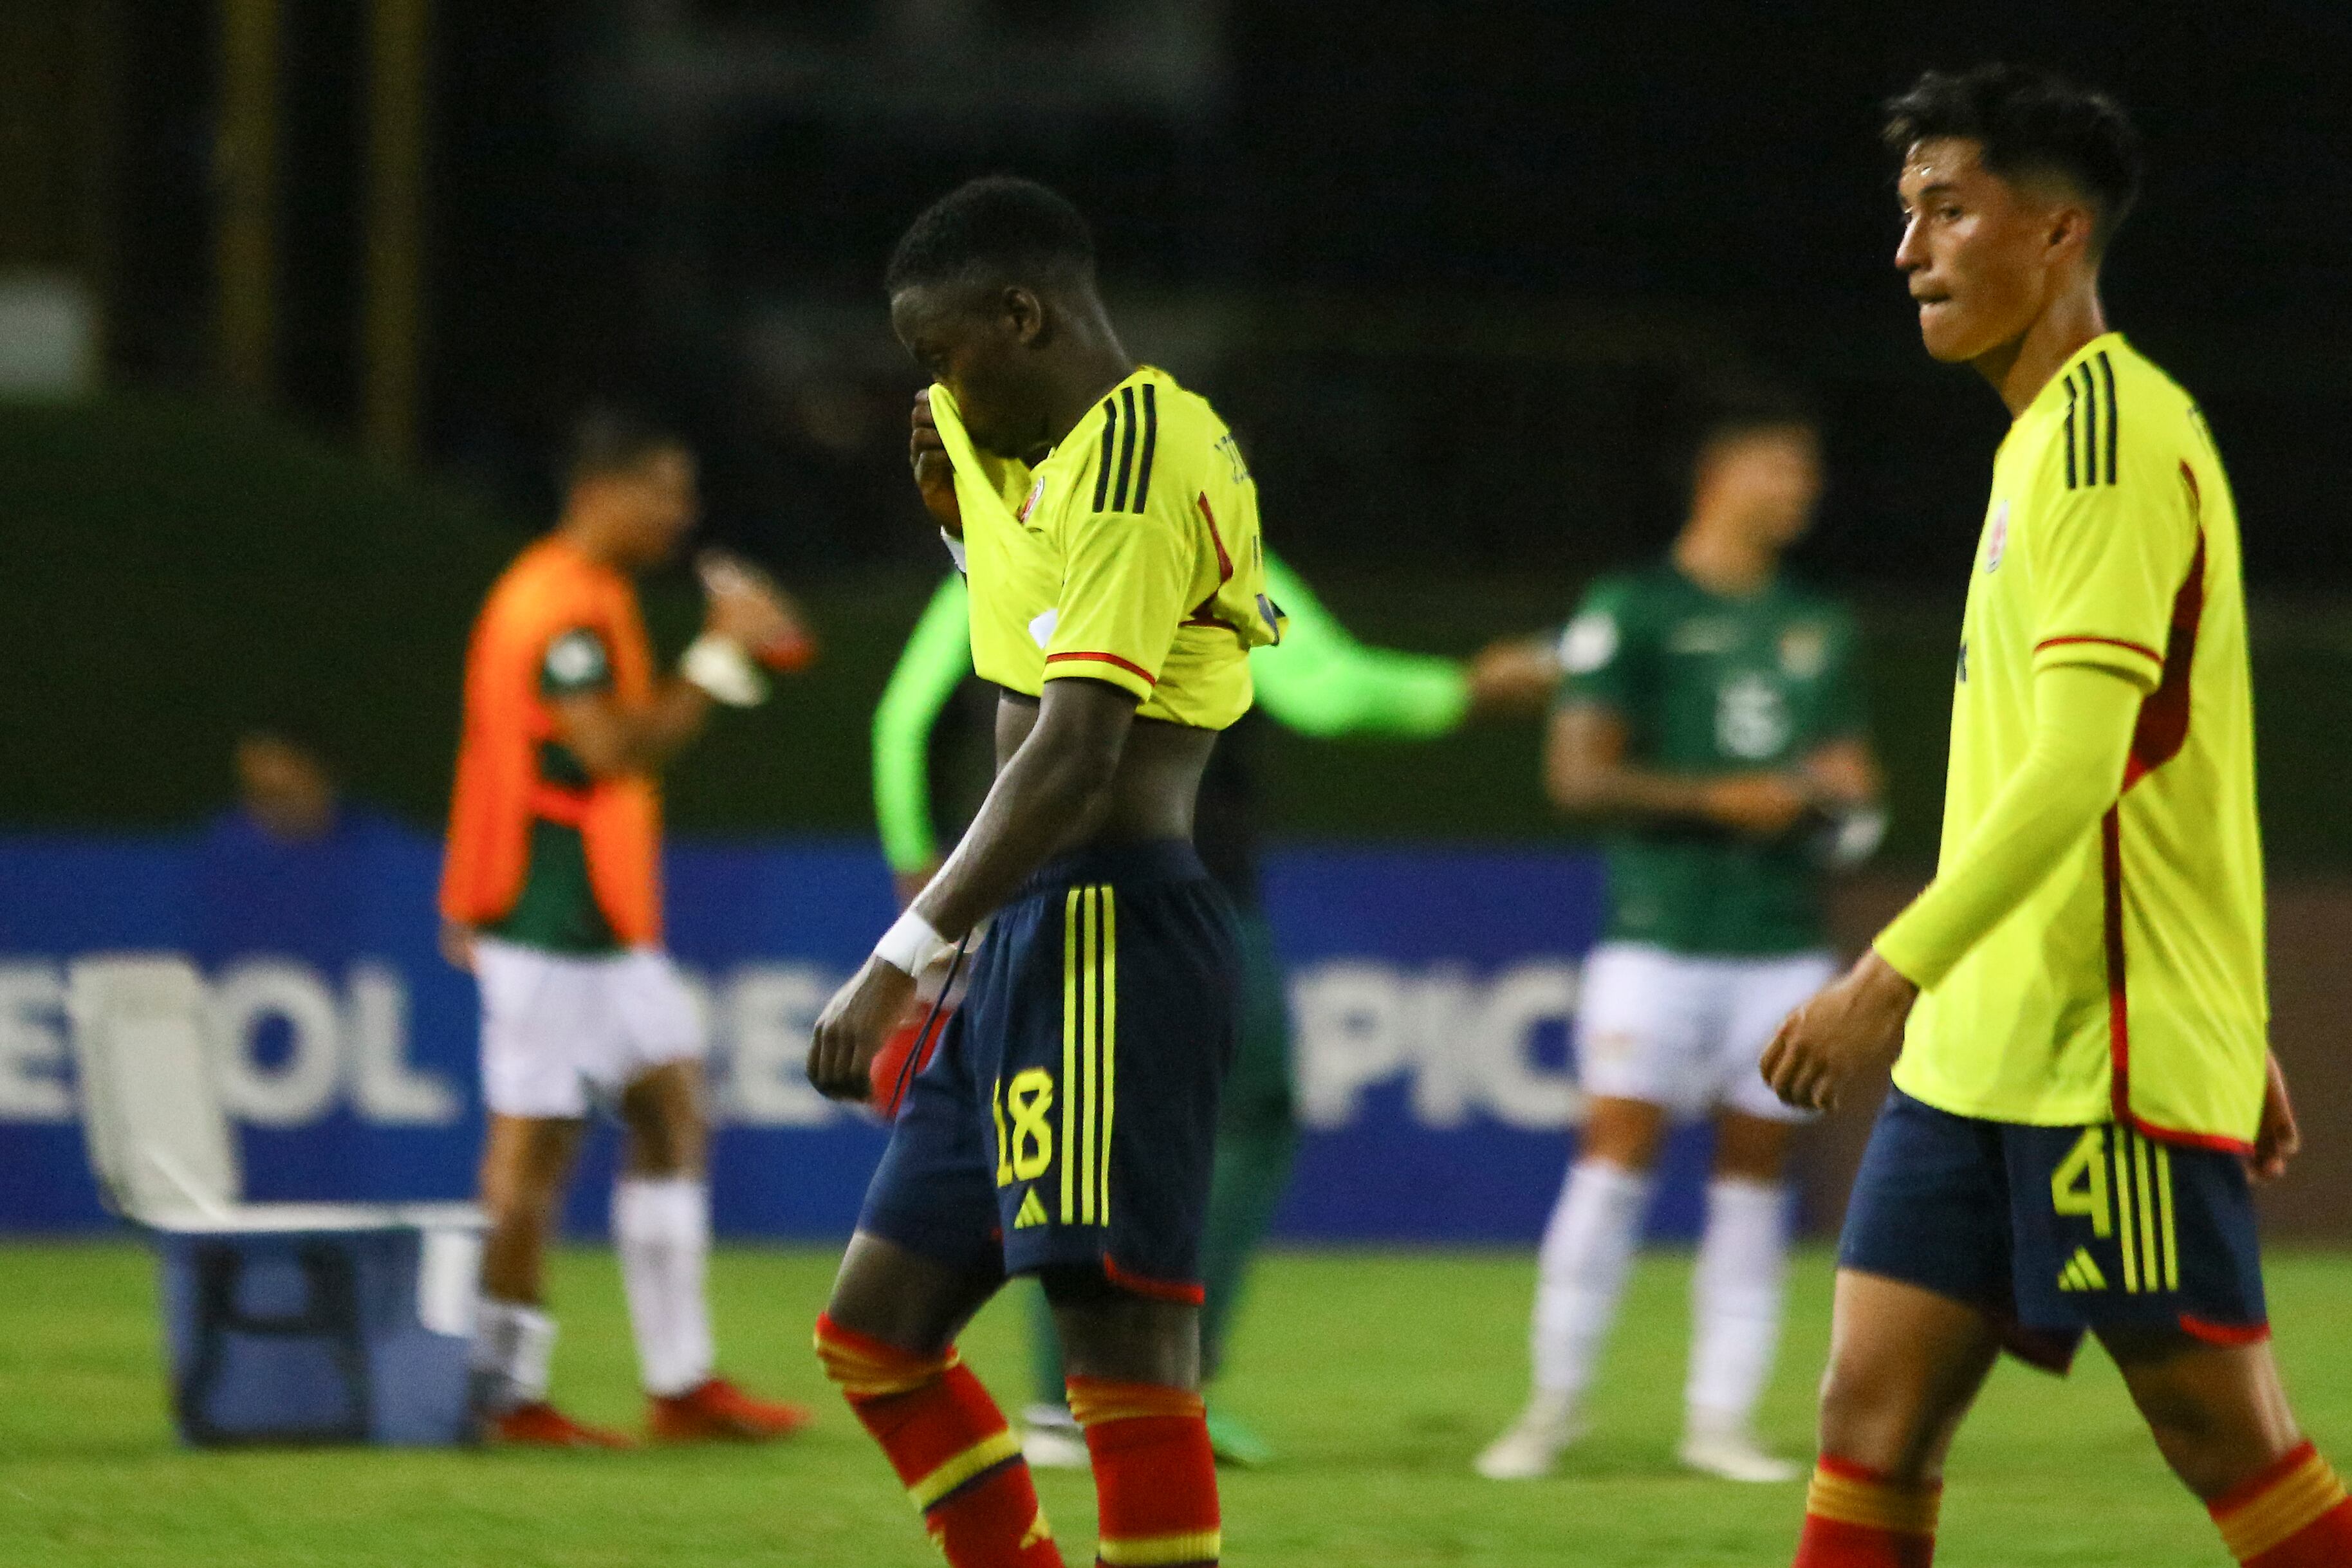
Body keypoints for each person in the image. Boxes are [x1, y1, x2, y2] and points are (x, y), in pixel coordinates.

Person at [1759, 66, 2342, 1567]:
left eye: (1949, 211)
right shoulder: (2035, 444)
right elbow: (2153, 762)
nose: (1911, 252)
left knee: (2224, 1435)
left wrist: (1880, 977)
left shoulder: (2105, 438)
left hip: (2099, 1057)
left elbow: (2080, 769)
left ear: (2057, 233)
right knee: (1865, 1417)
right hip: (1982, 1059)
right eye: (1907, 216)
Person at [804, 176, 1281, 1568]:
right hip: (1024, 937)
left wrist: (901, 956)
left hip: (1113, 939)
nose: (930, 383)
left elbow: (1073, 759)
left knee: (1120, 1358)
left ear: (1022, 314)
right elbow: (1021, 653)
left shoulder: (1143, 455)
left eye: (941, 350)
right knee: (874, 1337)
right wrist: (962, 536)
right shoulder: (1011, 436)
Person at [873, 558, 1552, 1469]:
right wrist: (1462, 690)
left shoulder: (1007, 553)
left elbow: (903, 722)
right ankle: (1143, 1382)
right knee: (1250, 1113)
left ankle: (1064, 1401)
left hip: (1036, 887)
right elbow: (1326, 692)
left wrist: (921, 871)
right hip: (1186, 883)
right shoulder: (1208, 549)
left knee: (1079, 1137)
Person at [1477, 383, 1884, 1484]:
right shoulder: (1638, 605)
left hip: (1781, 940)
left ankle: (1721, 1423)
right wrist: (1721, 800)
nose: (1801, 488)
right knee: (1613, 1162)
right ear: (1721, 473)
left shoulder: (1819, 622)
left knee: (1756, 1181)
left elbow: (1858, 791)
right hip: (1656, 937)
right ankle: (1552, 1409)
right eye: (1780, 466)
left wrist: (1848, 799)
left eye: (1807, 471)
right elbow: (1578, 773)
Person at [439, 409, 813, 1447]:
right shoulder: (559, 605)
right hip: (549, 913)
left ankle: (682, 1384)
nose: (683, 514)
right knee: (533, 1151)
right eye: (668, 489)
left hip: (597, 913)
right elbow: (611, 754)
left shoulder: (586, 593)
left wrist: (729, 659)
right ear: (604, 489)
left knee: (670, 1107)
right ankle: (502, 1390)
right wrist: (713, 659)